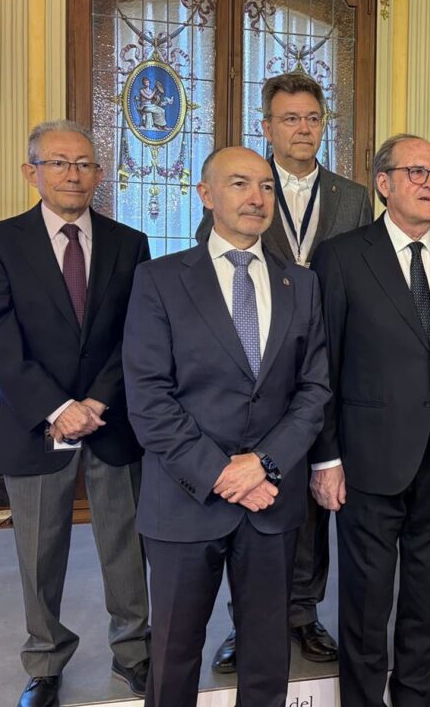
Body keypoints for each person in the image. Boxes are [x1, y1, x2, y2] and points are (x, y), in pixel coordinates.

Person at [124, 146, 332, 707]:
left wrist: (263, 464)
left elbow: (313, 391)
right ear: (207, 195)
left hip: (270, 505)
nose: (256, 197)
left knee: (267, 658)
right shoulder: (160, 280)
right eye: (240, 183)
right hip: (185, 501)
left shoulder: (302, 285)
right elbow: (149, 400)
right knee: (174, 657)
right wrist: (222, 472)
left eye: (266, 186)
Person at [0, 120, 151, 707]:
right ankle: (45, 660)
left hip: (111, 417)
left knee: (124, 543)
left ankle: (135, 651)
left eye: (85, 163)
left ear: (99, 174)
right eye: (59, 163)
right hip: (36, 421)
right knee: (39, 548)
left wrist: (95, 401)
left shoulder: (130, 242)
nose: (74, 174)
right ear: (33, 173)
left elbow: (137, 333)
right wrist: (57, 407)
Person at [198, 72, 372, 673]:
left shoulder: (351, 196)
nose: (303, 129)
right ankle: (245, 622)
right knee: (253, 495)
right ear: (267, 127)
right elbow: (213, 260)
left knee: (316, 494)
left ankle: (303, 611)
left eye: (313, 118)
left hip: (329, 366)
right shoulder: (242, 188)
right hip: (254, 369)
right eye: (290, 119)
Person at [309, 134, 430, 707]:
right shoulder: (342, 256)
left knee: (425, 598)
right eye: (417, 173)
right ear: (383, 184)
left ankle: (413, 698)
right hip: (365, 461)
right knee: (365, 603)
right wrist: (326, 457)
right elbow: (324, 364)